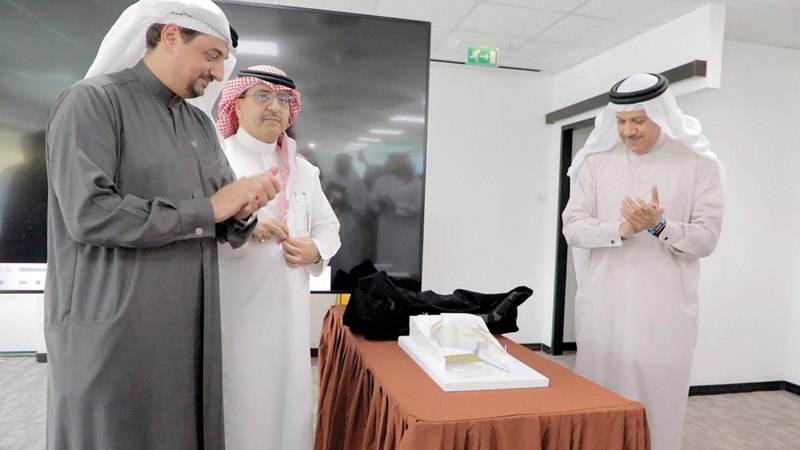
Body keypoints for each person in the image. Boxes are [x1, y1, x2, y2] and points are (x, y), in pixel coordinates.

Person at [44, 2, 281, 449]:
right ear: (170, 36)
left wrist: (244, 209)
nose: (218, 73)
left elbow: (220, 213)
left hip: (189, 329)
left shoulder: (198, 124)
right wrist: (210, 209)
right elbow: (90, 213)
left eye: (223, 61)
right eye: (211, 55)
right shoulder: (91, 102)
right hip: (116, 332)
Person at [562, 73, 725, 450]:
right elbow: (573, 228)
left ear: (661, 115)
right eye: (620, 121)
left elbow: (706, 238)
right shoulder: (595, 162)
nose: (628, 131)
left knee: (657, 410)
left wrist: (660, 226)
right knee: (599, 405)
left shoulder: (698, 163)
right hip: (604, 308)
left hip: (664, 315)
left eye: (638, 120)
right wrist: (623, 228)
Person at [216, 65, 341, 450]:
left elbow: (329, 228)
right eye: (263, 96)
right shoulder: (218, 161)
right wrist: (246, 225)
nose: (275, 106)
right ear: (237, 105)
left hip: (290, 315)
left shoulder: (303, 170)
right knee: (242, 408)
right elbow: (195, 228)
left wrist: (316, 249)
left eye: (284, 99)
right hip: (236, 314)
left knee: (290, 406)